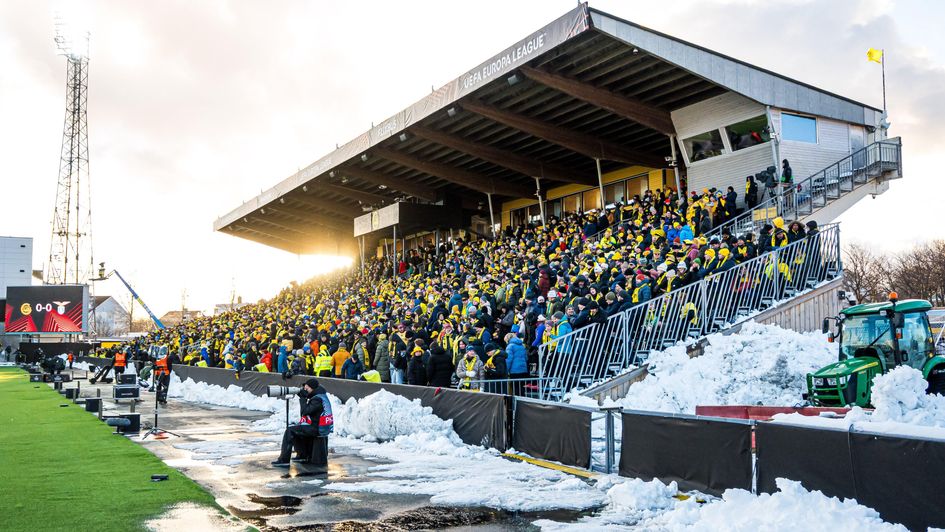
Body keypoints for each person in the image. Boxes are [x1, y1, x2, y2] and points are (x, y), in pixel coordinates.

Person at [272, 379, 333, 467]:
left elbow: (305, 412)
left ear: (312, 388)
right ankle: (302, 455)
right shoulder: (320, 396)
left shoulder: (317, 399)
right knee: (298, 428)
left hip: (317, 428)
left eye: (307, 389)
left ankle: (284, 460)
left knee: (290, 430)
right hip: (318, 426)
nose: (305, 390)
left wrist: (303, 398)